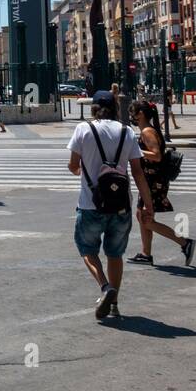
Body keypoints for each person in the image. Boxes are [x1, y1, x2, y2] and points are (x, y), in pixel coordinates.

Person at [67, 91, 153, 320]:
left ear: (94, 108)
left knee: (87, 250)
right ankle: (114, 305)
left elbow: (73, 165)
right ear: (116, 109)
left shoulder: (83, 129)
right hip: (121, 205)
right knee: (115, 254)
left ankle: (105, 288)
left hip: (90, 204)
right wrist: (148, 204)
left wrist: (81, 170)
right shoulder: (127, 132)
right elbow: (137, 172)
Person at [129, 100, 196, 267]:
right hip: (150, 179)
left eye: (133, 112)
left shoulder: (147, 132)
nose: (131, 116)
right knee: (141, 215)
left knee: (146, 219)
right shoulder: (149, 130)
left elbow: (156, 155)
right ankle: (146, 253)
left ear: (141, 114)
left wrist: (133, 150)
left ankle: (184, 243)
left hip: (153, 181)